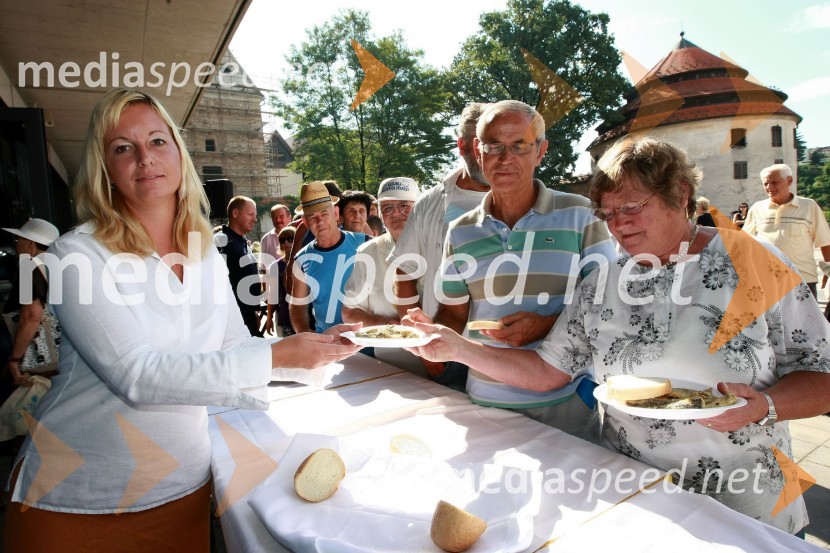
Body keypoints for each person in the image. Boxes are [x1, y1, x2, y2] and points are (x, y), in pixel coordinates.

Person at [406, 136, 830, 535]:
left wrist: (767, 406)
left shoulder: (753, 261)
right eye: (608, 214)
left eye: (630, 207)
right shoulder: (603, 282)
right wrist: (457, 347)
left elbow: (822, 374)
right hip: (634, 492)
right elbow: (547, 369)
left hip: (744, 499)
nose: (618, 226)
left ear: (680, 195)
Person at [3, 88, 361, 552]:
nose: (144, 159)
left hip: (181, 487)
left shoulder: (202, 252)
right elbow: (138, 375)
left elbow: (232, 347)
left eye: (156, 141)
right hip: (75, 496)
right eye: (122, 148)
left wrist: (319, 347)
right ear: (104, 168)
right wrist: (278, 358)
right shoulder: (78, 254)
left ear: (178, 152)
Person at [404, 100, 616, 441]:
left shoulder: (581, 215)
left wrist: (547, 325)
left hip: (565, 405)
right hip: (487, 404)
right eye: (494, 146)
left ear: (540, 150)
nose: (505, 158)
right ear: (478, 150)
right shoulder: (460, 230)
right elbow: (453, 315)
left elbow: (607, 307)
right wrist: (427, 333)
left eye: (519, 146)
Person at [389, 102, 491, 386]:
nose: (488, 153)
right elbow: (404, 272)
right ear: (461, 145)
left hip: (508, 353)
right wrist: (428, 353)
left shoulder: (523, 203)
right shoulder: (429, 203)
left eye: (494, 143)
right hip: (447, 355)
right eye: (479, 144)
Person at [343, 177, 425, 375]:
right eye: (387, 207)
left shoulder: (441, 245)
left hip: (447, 365)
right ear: (379, 213)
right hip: (390, 366)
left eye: (404, 206)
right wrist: (387, 325)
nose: (396, 213)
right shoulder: (367, 252)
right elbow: (349, 312)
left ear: (420, 208)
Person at [290, 182, 370, 333]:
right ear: (306, 222)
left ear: (335, 213)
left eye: (324, 214)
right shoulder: (302, 259)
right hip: (328, 345)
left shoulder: (364, 243)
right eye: (313, 218)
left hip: (368, 342)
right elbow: (297, 304)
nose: (320, 222)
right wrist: (305, 333)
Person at [744, 163, 830, 299]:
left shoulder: (809, 206)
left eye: (774, 182)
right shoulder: (757, 208)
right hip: (766, 280)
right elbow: (745, 242)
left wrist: (828, 271)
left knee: (805, 320)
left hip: (802, 279)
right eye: (765, 183)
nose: (769, 187)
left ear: (789, 180)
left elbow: (825, 241)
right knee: (770, 320)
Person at [1, 219, 60, 391]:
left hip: (34, 353)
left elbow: (31, 315)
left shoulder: (29, 268)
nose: (17, 244)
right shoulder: (58, 266)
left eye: (19, 240)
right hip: (61, 354)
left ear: (30, 244)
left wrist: (14, 359)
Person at [215, 196, 262, 336]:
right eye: (250, 214)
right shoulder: (221, 241)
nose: (255, 219)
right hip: (233, 320)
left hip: (247, 316)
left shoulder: (240, 241)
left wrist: (254, 310)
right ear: (235, 213)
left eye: (255, 215)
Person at [264, 225, 296, 338]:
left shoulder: (306, 262)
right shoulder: (275, 266)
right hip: (285, 316)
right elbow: (272, 295)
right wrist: (269, 319)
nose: (286, 242)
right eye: (282, 240)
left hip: (308, 317)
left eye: (290, 239)